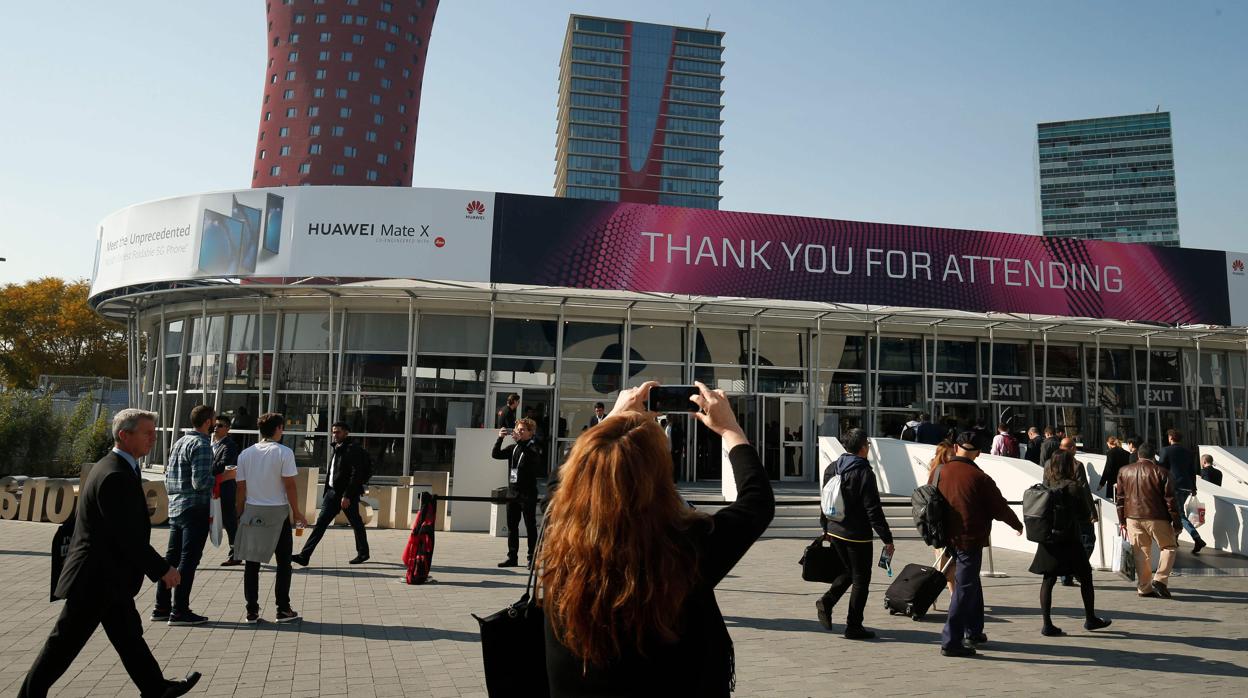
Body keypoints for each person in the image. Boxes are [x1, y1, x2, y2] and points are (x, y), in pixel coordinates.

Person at [539, 381, 773, 694]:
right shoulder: (686, 549)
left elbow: (561, 483)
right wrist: (730, 428)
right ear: (660, 479)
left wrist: (613, 419)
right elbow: (756, 501)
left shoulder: (561, 535)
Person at [20, 409, 201, 698]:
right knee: (62, 645)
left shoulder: (116, 466)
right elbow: (126, 535)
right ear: (124, 435)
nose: (153, 438)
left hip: (108, 577)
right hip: (95, 579)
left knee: (128, 635)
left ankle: (155, 688)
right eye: (147, 433)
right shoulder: (114, 474)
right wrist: (163, 569)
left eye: (154, 432)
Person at [937, 431, 1024, 657]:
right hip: (970, 539)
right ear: (979, 453)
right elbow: (999, 507)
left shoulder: (939, 471)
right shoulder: (980, 478)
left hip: (946, 537)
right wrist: (1017, 524)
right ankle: (951, 641)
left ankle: (973, 630)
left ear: (956, 448)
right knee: (964, 588)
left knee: (970, 582)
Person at [817, 428, 893, 639]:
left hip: (835, 529)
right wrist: (887, 538)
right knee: (861, 579)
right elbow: (873, 510)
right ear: (862, 448)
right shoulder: (863, 472)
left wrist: (825, 528)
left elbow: (825, 500)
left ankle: (827, 601)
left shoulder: (833, 468)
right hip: (856, 534)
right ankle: (854, 626)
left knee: (850, 572)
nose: (868, 448)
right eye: (867, 444)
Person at [1029, 450, 1112, 636]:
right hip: (1070, 539)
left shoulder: (1046, 487)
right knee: (1086, 577)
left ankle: (1047, 623)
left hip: (1048, 540)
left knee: (1048, 580)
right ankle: (1090, 618)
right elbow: (1083, 515)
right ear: (1067, 466)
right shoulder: (1073, 487)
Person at [235, 412, 308, 623]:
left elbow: (241, 488)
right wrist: (297, 511)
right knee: (283, 563)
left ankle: (251, 610)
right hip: (277, 512)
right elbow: (290, 484)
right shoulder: (284, 452)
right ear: (278, 429)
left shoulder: (245, 454)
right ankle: (283, 608)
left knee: (252, 563)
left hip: (252, 510)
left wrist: (239, 512)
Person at [153, 404, 216, 626]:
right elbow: (200, 482)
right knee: (188, 560)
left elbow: (169, 475)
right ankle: (180, 610)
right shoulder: (202, 445)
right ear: (208, 422)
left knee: (171, 558)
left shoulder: (180, 442)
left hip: (176, 506)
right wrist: (223, 477)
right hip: (194, 508)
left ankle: (161, 606)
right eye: (214, 420)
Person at [292, 421, 372, 567]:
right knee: (320, 525)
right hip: (332, 493)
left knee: (356, 523)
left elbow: (356, 474)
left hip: (346, 495)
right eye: (333, 432)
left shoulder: (352, 449)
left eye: (338, 432)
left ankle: (363, 553)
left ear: (346, 433)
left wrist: (347, 495)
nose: (335, 435)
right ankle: (304, 556)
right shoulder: (337, 447)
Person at [1115, 442, 1181, 598]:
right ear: (1154, 456)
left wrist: (1122, 520)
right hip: (1157, 517)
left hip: (1132, 517)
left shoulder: (1124, 471)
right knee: (1169, 547)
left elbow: (1120, 498)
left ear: (1138, 455)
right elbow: (1170, 500)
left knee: (1141, 552)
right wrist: (1176, 522)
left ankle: (1144, 588)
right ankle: (1160, 579)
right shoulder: (1162, 472)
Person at [493, 417, 542, 567]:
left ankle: (531, 558)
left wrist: (519, 441)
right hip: (512, 492)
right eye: (518, 429)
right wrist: (500, 439)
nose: (519, 432)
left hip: (527, 494)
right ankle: (512, 557)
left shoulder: (534, 447)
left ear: (530, 433)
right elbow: (495, 454)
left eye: (522, 430)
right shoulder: (513, 448)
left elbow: (530, 459)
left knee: (530, 526)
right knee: (512, 526)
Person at [1157, 429, 1207, 554]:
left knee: (1178, 514)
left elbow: (1161, 469)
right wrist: (1194, 488)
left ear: (1170, 438)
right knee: (1176, 512)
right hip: (1187, 486)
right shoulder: (1188, 452)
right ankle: (1175, 539)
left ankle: (1197, 538)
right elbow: (1192, 471)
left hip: (1173, 486)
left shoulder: (1165, 450)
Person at [212, 415, 242, 566]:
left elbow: (224, 464)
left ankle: (236, 554)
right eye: (215, 425)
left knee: (230, 522)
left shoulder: (229, 445)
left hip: (225, 489)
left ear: (228, 428)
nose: (216, 427)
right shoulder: (211, 444)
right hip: (212, 488)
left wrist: (206, 468)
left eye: (220, 425)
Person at [928, 441, 957, 593]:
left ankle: (951, 595)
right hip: (943, 524)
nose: (954, 457)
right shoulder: (942, 471)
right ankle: (936, 592)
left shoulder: (935, 470)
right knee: (946, 564)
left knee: (946, 563)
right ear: (943, 456)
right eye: (951, 454)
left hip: (937, 524)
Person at [1098, 436, 1131, 502]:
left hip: (1114, 481)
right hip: (1125, 481)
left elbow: (1108, 468)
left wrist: (1102, 483)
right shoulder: (1127, 454)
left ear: (1108, 443)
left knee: (1117, 502)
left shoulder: (1111, 453)